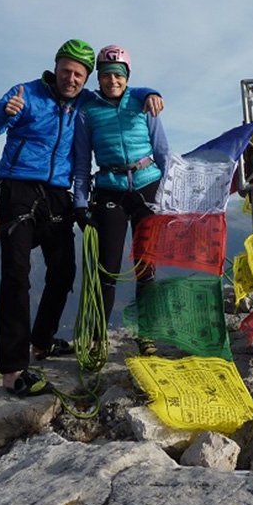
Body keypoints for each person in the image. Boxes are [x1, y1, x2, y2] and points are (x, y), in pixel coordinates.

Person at [0, 39, 163, 396]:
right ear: (55, 68)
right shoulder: (25, 93)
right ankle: (14, 370)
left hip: (57, 195)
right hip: (19, 189)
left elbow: (124, 91)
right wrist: (3, 114)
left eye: (78, 74)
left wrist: (152, 91)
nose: (71, 79)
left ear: (86, 77)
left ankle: (42, 342)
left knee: (63, 272)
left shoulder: (87, 103)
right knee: (17, 274)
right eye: (66, 71)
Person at [73, 45, 170, 356]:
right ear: (98, 79)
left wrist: (169, 190)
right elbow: (81, 161)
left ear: (126, 78)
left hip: (147, 185)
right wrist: (79, 201)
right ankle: (99, 338)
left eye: (118, 75)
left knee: (147, 266)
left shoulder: (143, 104)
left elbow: (162, 151)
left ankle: (148, 334)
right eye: (106, 75)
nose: (112, 80)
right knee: (108, 268)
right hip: (109, 188)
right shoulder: (87, 111)